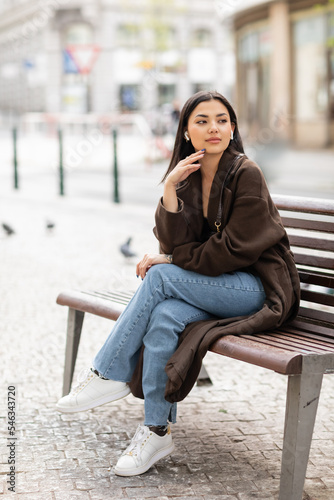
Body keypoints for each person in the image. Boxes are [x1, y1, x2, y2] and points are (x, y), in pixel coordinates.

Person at [56, 90, 300, 477]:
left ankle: (108, 372)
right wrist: (170, 190)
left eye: (221, 120)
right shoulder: (189, 175)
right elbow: (175, 244)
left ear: (233, 128)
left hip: (258, 290)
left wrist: (169, 261)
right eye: (202, 121)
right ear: (186, 131)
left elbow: (230, 251)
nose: (213, 128)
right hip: (215, 286)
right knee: (165, 314)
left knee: (161, 275)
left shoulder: (245, 173)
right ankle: (156, 430)